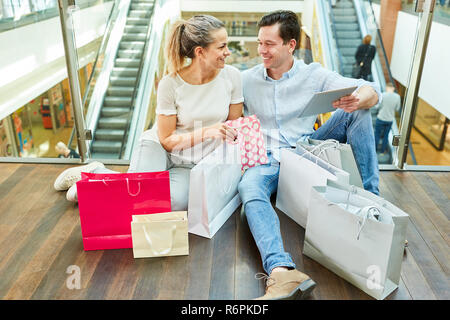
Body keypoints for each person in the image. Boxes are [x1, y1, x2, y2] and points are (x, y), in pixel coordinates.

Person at [239, 10, 381, 300]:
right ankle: (281, 271)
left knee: (359, 113)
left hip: (304, 149)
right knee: (249, 188)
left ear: (291, 45)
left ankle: (374, 209)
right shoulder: (245, 80)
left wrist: (358, 99)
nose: (261, 50)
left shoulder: (313, 74)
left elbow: (371, 90)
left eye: (269, 44)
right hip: (266, 159)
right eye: (259, 43)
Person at [54, 15, 243, 208]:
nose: (227, 52)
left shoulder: (232, 77)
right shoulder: (170, 84)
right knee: (139, 190)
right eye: (221, 47)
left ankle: (99, 178)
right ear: (200, 52)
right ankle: (96, 174)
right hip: (160, 146)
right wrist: (207, 132)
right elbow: (167, 140)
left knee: (170, 202)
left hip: (192, 160)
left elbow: (234, 128)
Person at [374, 83, 401, 154]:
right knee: (386, 136)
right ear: (393, 88)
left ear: (387, 88)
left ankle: (375, 150)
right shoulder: (397, 97)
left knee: (377, 135)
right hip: (389, 120)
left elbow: (377, 106)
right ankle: (382, 151)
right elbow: (397, 108)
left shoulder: (383, 95)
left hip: (380, 118)